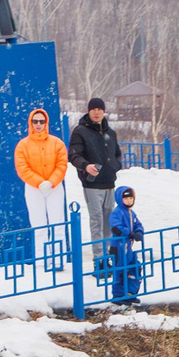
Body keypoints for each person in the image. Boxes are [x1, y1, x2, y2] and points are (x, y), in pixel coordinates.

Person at [68, 97, 124, 256]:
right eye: (93, 109)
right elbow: (74, 155)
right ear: (89, 111)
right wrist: (86, 166)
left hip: (109, 183)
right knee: (96, 221)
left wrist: (115, 166)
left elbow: (117, 154)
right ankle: (99, 259)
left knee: (108, 221)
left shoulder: (110, 132)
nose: (96, 112)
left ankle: (108, 254)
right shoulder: (80, 131)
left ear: (104, 111)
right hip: (92, 184)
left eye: (99, 109)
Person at [14, 107, 71, 240]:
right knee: (39, 227)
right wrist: (38, 182)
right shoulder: (22, 145)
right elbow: (22, 167)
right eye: (35, 121)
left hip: (54, 187)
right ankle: (41, 260)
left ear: (46, 123)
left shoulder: (57, 143)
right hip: (33, 188)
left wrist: (52, 181)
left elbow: (62, 164)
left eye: (41, 121)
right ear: (30, 123)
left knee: (58, 226)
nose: (38, 124)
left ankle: (59, 258)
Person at [107, 184, 145, 306]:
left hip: (128, 246)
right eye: (126, 198)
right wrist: (130, 233)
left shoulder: (131, 213)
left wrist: (139, 231)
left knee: (134, 267)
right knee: (120, 270)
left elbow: (138, 223)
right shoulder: (117, 212)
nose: (129, 201)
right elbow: (116, 227)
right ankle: (118, 295)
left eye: (131, 198)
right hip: (118, 246)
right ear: (120, 199)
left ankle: (130, 293)